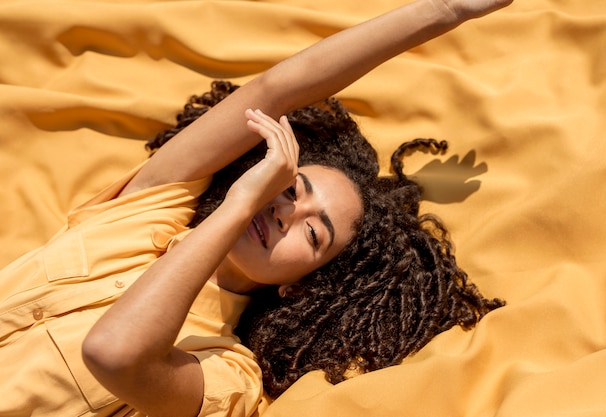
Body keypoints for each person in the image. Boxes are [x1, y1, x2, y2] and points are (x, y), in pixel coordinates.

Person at [0, 0, 511, 416]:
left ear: (301, 285)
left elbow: (113, 353)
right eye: (289, 188)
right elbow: (273, 90)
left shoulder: (229, 374)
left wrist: (243, 203)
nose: (287, 212)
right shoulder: (146, 213)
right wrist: (446, 9)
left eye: (313, 234)